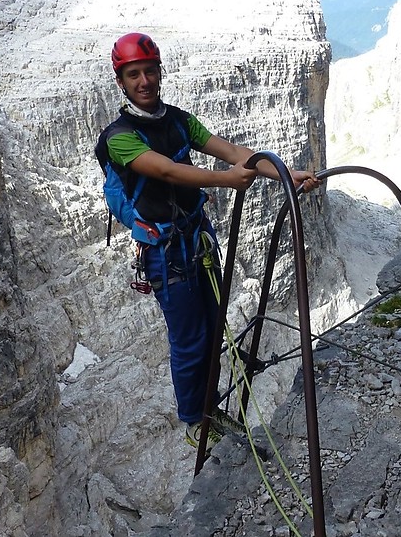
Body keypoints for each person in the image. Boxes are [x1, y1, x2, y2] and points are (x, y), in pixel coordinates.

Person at [100, 32, 322, 450]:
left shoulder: (179, 120)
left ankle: (208, 408)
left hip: (195, 241)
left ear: (159, 73)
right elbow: (164, 170)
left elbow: (232, 151)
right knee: (190, 338)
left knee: (211, 328)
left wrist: (287, 175)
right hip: (167, 253)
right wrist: (226, 181)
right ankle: (194, 421)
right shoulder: (119, 136)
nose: (144, 81)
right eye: (134, 74)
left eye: (149, 71)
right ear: (121, 81)